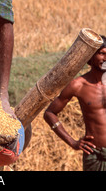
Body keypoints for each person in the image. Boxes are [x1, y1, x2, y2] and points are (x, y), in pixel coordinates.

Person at [43, 36, 106, 171]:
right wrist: (72, 142)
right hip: (94, 155)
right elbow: (49, 113)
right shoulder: (78, 85)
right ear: (90, 56)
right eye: (102, 54)